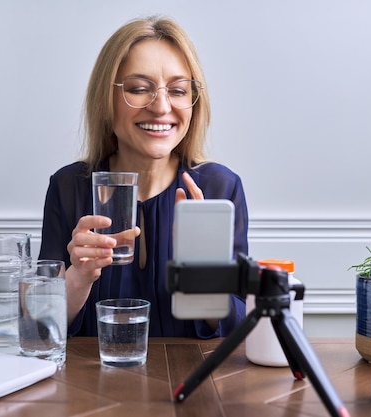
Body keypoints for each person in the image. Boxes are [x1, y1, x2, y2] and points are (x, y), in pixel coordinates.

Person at [39, 15, 249, 338]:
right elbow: (39, 330)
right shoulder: (69, 189)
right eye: (139, 89)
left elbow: (240, 331)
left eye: (178, 90)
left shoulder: (220, 189)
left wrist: (203, 279)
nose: (162, 107)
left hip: (192, 386)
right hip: (91, 385)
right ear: (105, 100)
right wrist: (78, 277)